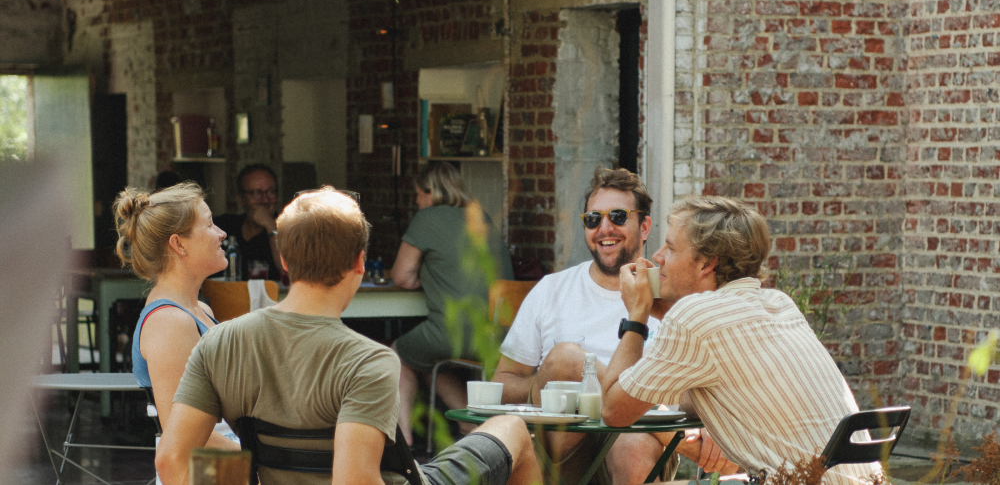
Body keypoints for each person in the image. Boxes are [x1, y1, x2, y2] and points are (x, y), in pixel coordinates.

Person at [155, 187, 542, 485]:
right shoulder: (368, 361)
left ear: (285, 262)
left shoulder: (219, 342)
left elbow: (172, 461)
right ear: (359, 263)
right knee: (513, 428)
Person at [602, 195, 880, 485]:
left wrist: (638, 315)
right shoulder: (777, 302)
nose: (657, 257)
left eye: (670, 248)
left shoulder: (694, 318)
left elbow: (613, 411)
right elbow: (718, 393)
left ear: (707, 263)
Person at [492, 167, 733, 484]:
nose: (604, 228)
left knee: (631, 443)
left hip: (637, 449)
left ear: (644, 225)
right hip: (559, 455)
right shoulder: (552, 290)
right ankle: (672, 435)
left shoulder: (674, 297)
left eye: (618, 216)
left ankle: (630, 410)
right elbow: (503, 383)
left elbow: (705, 387)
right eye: (593, 219)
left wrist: (714, 425)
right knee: (565, 359)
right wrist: (558, 383)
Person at [390, 161, 515, 446]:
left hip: (457, 331)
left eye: (418, 195)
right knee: (433, 363)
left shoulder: (427, 217)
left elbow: (401, 276)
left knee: (399, 354)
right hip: (501, 335)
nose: (417, 201)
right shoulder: (480, 216)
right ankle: (473, 428)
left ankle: (404, 445)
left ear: (430, 192)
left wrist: (428, 277)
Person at [114, 182, 241, 452]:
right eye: (209, 225)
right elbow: (182, 435)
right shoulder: (169, 322)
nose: (221, 233)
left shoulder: (199, 310)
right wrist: (261, 462)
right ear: (178, 243)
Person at [214, 164, 283, 281]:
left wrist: (271, 226)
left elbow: (290, 273)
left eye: (271, 192)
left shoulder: (290, 229)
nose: (265, 199)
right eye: (257, 193)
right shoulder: (225, 225)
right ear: (241, 200)